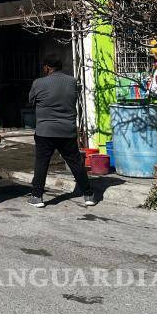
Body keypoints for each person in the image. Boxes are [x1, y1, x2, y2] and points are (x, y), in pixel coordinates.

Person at [27, 55, 95, 208]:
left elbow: (31, 100)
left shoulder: (39, 83)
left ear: (47, 67)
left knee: (42, 163)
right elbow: (74, 98)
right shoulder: (72, 81)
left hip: (45, 131)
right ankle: (88, 195)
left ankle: (37, 197)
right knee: (76, 163)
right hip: (67, 130)